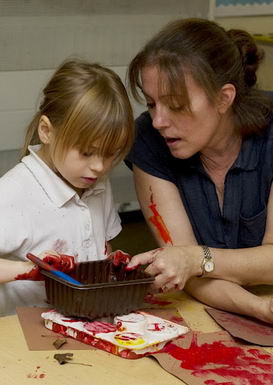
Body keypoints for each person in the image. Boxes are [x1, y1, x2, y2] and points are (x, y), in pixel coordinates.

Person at [125, 18, 273, 323]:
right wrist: (260, 310)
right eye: (152, 104)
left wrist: (196, 258)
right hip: (219, 307)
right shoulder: (149, 141)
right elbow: (183, 271)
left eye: (176, 105)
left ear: (223, 98)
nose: (158, 121)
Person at [0, 59, 134, 316]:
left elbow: (99, 249)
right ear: (46, 131)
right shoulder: (13, 193)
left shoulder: (96, 183)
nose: (99, 167)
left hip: (83, 322)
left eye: (110, 154)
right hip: (23, 335)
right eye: (86, 152)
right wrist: (33, 271)